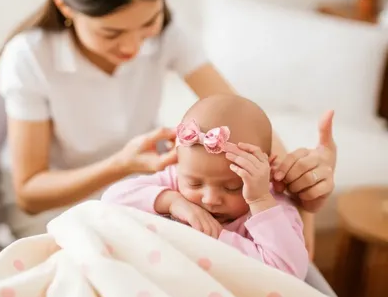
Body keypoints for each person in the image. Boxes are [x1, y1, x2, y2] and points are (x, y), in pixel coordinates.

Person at [0, 0, 336, 241]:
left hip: (140, 192)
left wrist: (298, 184)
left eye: (148, 24)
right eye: (111, 33)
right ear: (65, 7)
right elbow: (29, 194)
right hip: (56, 208)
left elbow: (241, 112)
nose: (132, 45)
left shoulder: (170, 33)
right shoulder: (29, 57)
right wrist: (120, 165)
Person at [102, 94, 309, 279]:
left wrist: (258, 200)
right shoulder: (176, 182)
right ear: (178, 164)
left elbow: (289, 274)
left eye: (232, 187)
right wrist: (172, 202)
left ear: (267, 172)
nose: (210, 199)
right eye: (195, 183)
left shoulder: (273, 209)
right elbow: (110, 201)